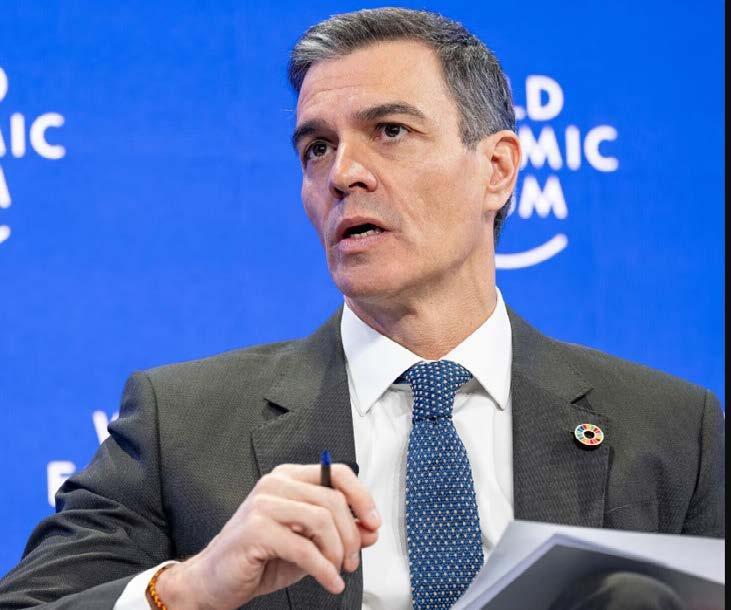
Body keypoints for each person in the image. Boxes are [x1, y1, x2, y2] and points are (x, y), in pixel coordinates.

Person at [0, 7, 724, 610]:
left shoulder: (668, 431)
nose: (342, 173)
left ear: (497, 170)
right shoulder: (181, 425)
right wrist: (190, 588)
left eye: (390, 131)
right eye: (317, 148)